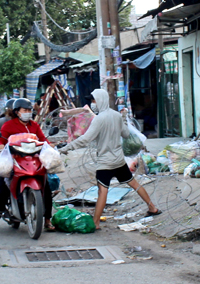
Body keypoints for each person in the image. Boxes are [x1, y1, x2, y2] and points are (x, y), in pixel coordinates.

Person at [60, 89, 161, 230]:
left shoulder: (99, 119)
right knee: (134, 184)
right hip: (119, 160)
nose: (92, 103)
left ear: (100, 100)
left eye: (93, 100)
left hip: (105, 163)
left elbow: (86, 139)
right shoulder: (116, 116)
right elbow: (126, 134)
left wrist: (66, 148)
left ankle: (96, 223)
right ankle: (152, 207)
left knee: (103, 191)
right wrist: (124, 118)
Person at [0, 98, 51, 234]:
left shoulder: (34, 126)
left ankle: (48, 220)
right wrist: (0, 145)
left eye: (29, 110)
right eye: (25, 110)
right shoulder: (9, 125)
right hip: (14, 161)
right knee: (1, 188)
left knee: (46, 187)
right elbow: (1, 139)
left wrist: (50, 146)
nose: (28, 113)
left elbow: (43, 140)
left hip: (33, 160)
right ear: (17, 112)